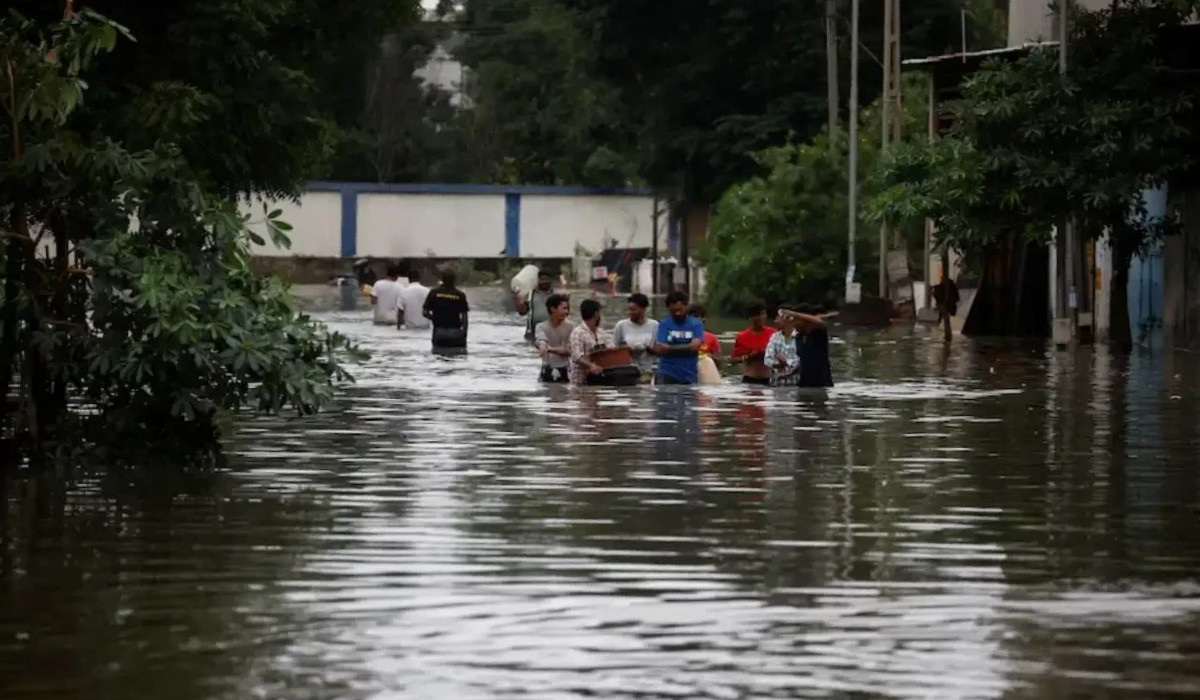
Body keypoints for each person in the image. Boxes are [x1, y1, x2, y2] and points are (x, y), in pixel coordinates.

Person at [654, 291, 704, 385]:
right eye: (674, 311)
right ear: (668, 309)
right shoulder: (664, 324)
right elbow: (662, 348)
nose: (677, 313)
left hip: (689, 375)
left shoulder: (696, 324)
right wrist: (688, 347)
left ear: (686, 306)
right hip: (667, 374)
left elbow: (695, 347)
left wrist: (670, 348)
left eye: (680, 310)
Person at [612, 293, 659, 383]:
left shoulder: (654, 325)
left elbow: (658, 350)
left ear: (643, 309)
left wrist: (648, 349)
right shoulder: (621, 325)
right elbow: (614, 351)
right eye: (629, 309)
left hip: (646, 372)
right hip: (626, 372)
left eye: (633, 310)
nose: (630, 313)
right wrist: (628, 351)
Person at [422, 269, 469, 354]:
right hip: (456, 334)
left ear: (442, 280)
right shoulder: (460, 295)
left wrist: (434, 318)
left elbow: (425, 312)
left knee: (438, 358)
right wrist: (464, 336)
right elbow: (465, 318)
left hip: (439, 334)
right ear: (454, 280)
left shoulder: (434, 293)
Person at [730, 301, 776, 385]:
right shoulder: (742, 336)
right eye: (758, 315)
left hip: (769, 378)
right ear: (751, 317)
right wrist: (749, 357)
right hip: (750, 379)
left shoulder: (773, 333)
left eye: (763, 314)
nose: (761, 317)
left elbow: (782, 355)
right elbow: (733, 360)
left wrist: (767, 353)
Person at [568, 299, 610, 386]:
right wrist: (591, 366)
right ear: (596, 314)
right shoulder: (578, 332)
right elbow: (576, 356)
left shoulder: (601, 333)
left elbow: (611, 350)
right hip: (579, 384)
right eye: (600, 313)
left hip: (599, 381)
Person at [793, 304, 836, 388]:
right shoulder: (799, 337)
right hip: (803, 384)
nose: (794, 324)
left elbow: (819, 322)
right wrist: (789, 373)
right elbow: (803, 361)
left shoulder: (819, 333)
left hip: (822, 385)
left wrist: (792, 313)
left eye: (796, 320)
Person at [535, 294, 575, 383]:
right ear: (553, 309)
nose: (567, 312)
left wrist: (548, 349)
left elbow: (569, 350)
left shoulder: (570, 327)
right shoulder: (541, 327)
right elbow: (541, 339)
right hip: (546, 370)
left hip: (565, 370)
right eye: (564, 308)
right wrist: (542, 346)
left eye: (567, 308)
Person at [765, 306, 802, 387]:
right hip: (776, 384)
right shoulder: (774, 337)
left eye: (779, 316)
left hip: (795, 385)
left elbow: (801, 361)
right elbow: (767, 359)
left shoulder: (800, 337)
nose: (776, 319)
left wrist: (785, 362)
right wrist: (778, 364)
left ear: (789, 318)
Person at [517, 269, 556, 342]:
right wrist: (519, 301)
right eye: (542, 279)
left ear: (550, 280)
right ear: (538, 280)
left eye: (546, 279)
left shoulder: (555, 295)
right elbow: (522, 312)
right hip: (532, 334)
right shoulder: (530, 294)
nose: (544, 281)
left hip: (550, 334)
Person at [688, 303, 722, 385]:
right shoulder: (683, 336)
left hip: (705, 375)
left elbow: (719, 362)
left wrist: (709, 356)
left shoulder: (712, 338)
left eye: (702, 316)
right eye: (695, 316)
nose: (699, 319)